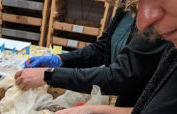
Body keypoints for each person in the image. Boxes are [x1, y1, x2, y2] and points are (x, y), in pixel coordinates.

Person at [14, 0, 166, 108]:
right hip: (115, 103)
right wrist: (60, 60)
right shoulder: (125, 5)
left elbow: (119, 76)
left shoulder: (156, 17)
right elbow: (101, 48)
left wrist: (49, 75)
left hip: (134, 111)